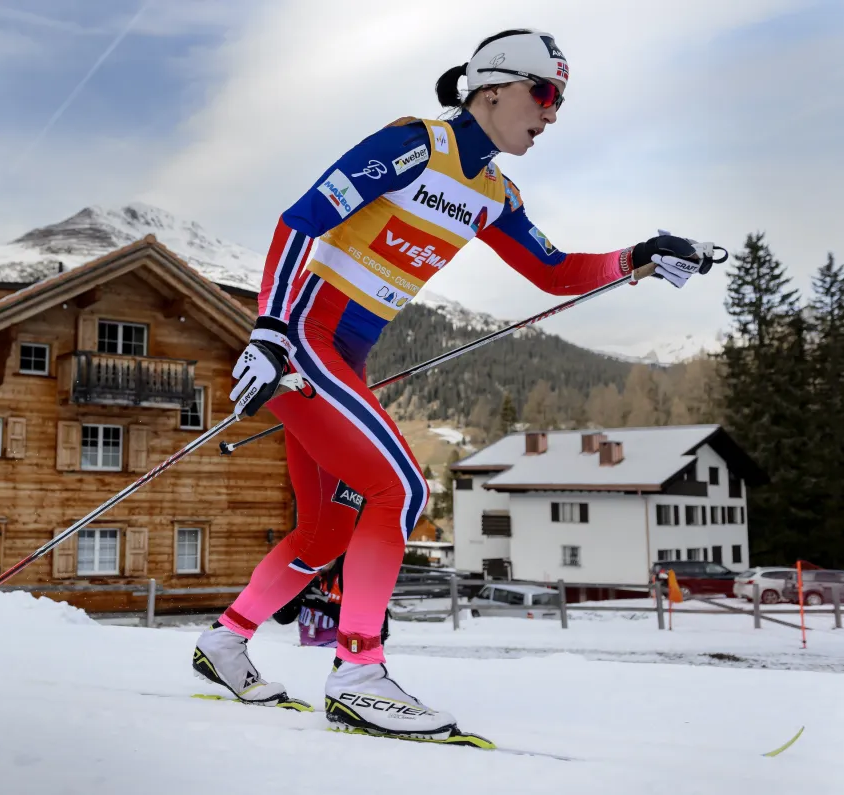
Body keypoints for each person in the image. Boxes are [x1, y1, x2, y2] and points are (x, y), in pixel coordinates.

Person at [192, 28, 715, 739]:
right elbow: (301, 219)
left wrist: (640, 255)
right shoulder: (416, 145)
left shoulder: (494, 191)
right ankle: (357, 671)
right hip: (307, 340)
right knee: (401, 488)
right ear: (492, 89)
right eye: (543, 93)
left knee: (326, 527)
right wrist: (269, 329)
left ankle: (225, 640)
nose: (551, 112)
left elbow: (553, 271)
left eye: (558, 99)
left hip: (348, 355)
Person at [271, 553, 392, 648]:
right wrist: (297, 596)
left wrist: (325, 605)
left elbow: (365, 624)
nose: (319, 562)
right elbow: (283, 618)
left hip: (342, 659)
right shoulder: (305, 574)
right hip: (308, 656)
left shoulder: (349, 576)